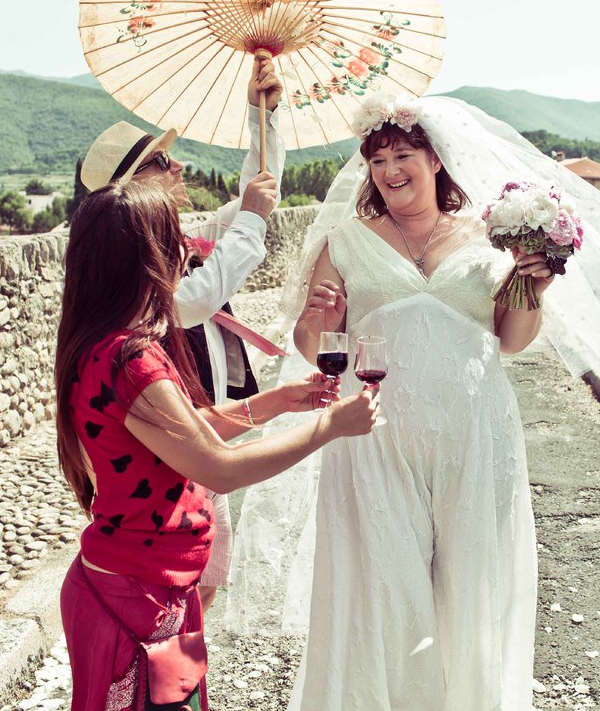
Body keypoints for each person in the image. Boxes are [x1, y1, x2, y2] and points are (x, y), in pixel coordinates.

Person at [225, 93, 600, 710]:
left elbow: (513, 341)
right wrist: (320, 319)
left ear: (435, 158)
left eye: (404, 154)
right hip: (375, 440)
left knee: (474, 587)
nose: (391, 170)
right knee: (383, 591)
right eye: (379, 159)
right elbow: (315, 349)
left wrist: (532, 286)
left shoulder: (489, 234)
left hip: (477, 433)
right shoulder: (344, 241)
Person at [55, 178, 378, 710]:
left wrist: (275, 402)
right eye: (172, 240)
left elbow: (187, 432)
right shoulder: (130, 361)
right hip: (138, 594)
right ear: (146, 258)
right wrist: (330, 426)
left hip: (141, 583)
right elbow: (218, 467)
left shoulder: (101, 344)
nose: (185, 251)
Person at [79, 56, 285, 615]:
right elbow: (192, 302)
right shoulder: (136, 271)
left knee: (206, 571)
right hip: (174, 442)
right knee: (188, 575)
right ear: (133, 185)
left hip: (199, 419)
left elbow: (255, 196)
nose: (179, 167)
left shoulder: (178, 238)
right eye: (163, 161)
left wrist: (262, 116)